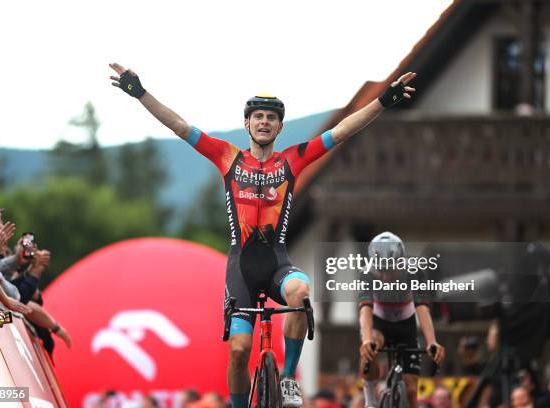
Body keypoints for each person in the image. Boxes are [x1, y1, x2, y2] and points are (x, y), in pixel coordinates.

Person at [109, 62, 417, 408]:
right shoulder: (227, 157)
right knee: (239, 352)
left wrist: (382, 102)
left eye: (271, 117)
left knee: (300, 293)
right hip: (241, 269)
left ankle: (287, 379)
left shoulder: (292, 160)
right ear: (247, 123)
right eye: (258, 116)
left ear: (280, 126)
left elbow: (343, 130)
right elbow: (180, 126)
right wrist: (141, 94)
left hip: (277, 265)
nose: (265, 122)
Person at [358, 232, 445, 408]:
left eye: (389, 271)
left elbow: (422, 308)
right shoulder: (367, 273)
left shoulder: (413, 271)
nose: (384, 277)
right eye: (380, 271)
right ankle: (370, 399)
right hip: (379, 324)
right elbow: (365, 309)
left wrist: (432, 341)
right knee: (371, 346)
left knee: (412, 391)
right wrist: (366, 339)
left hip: (406, 327)